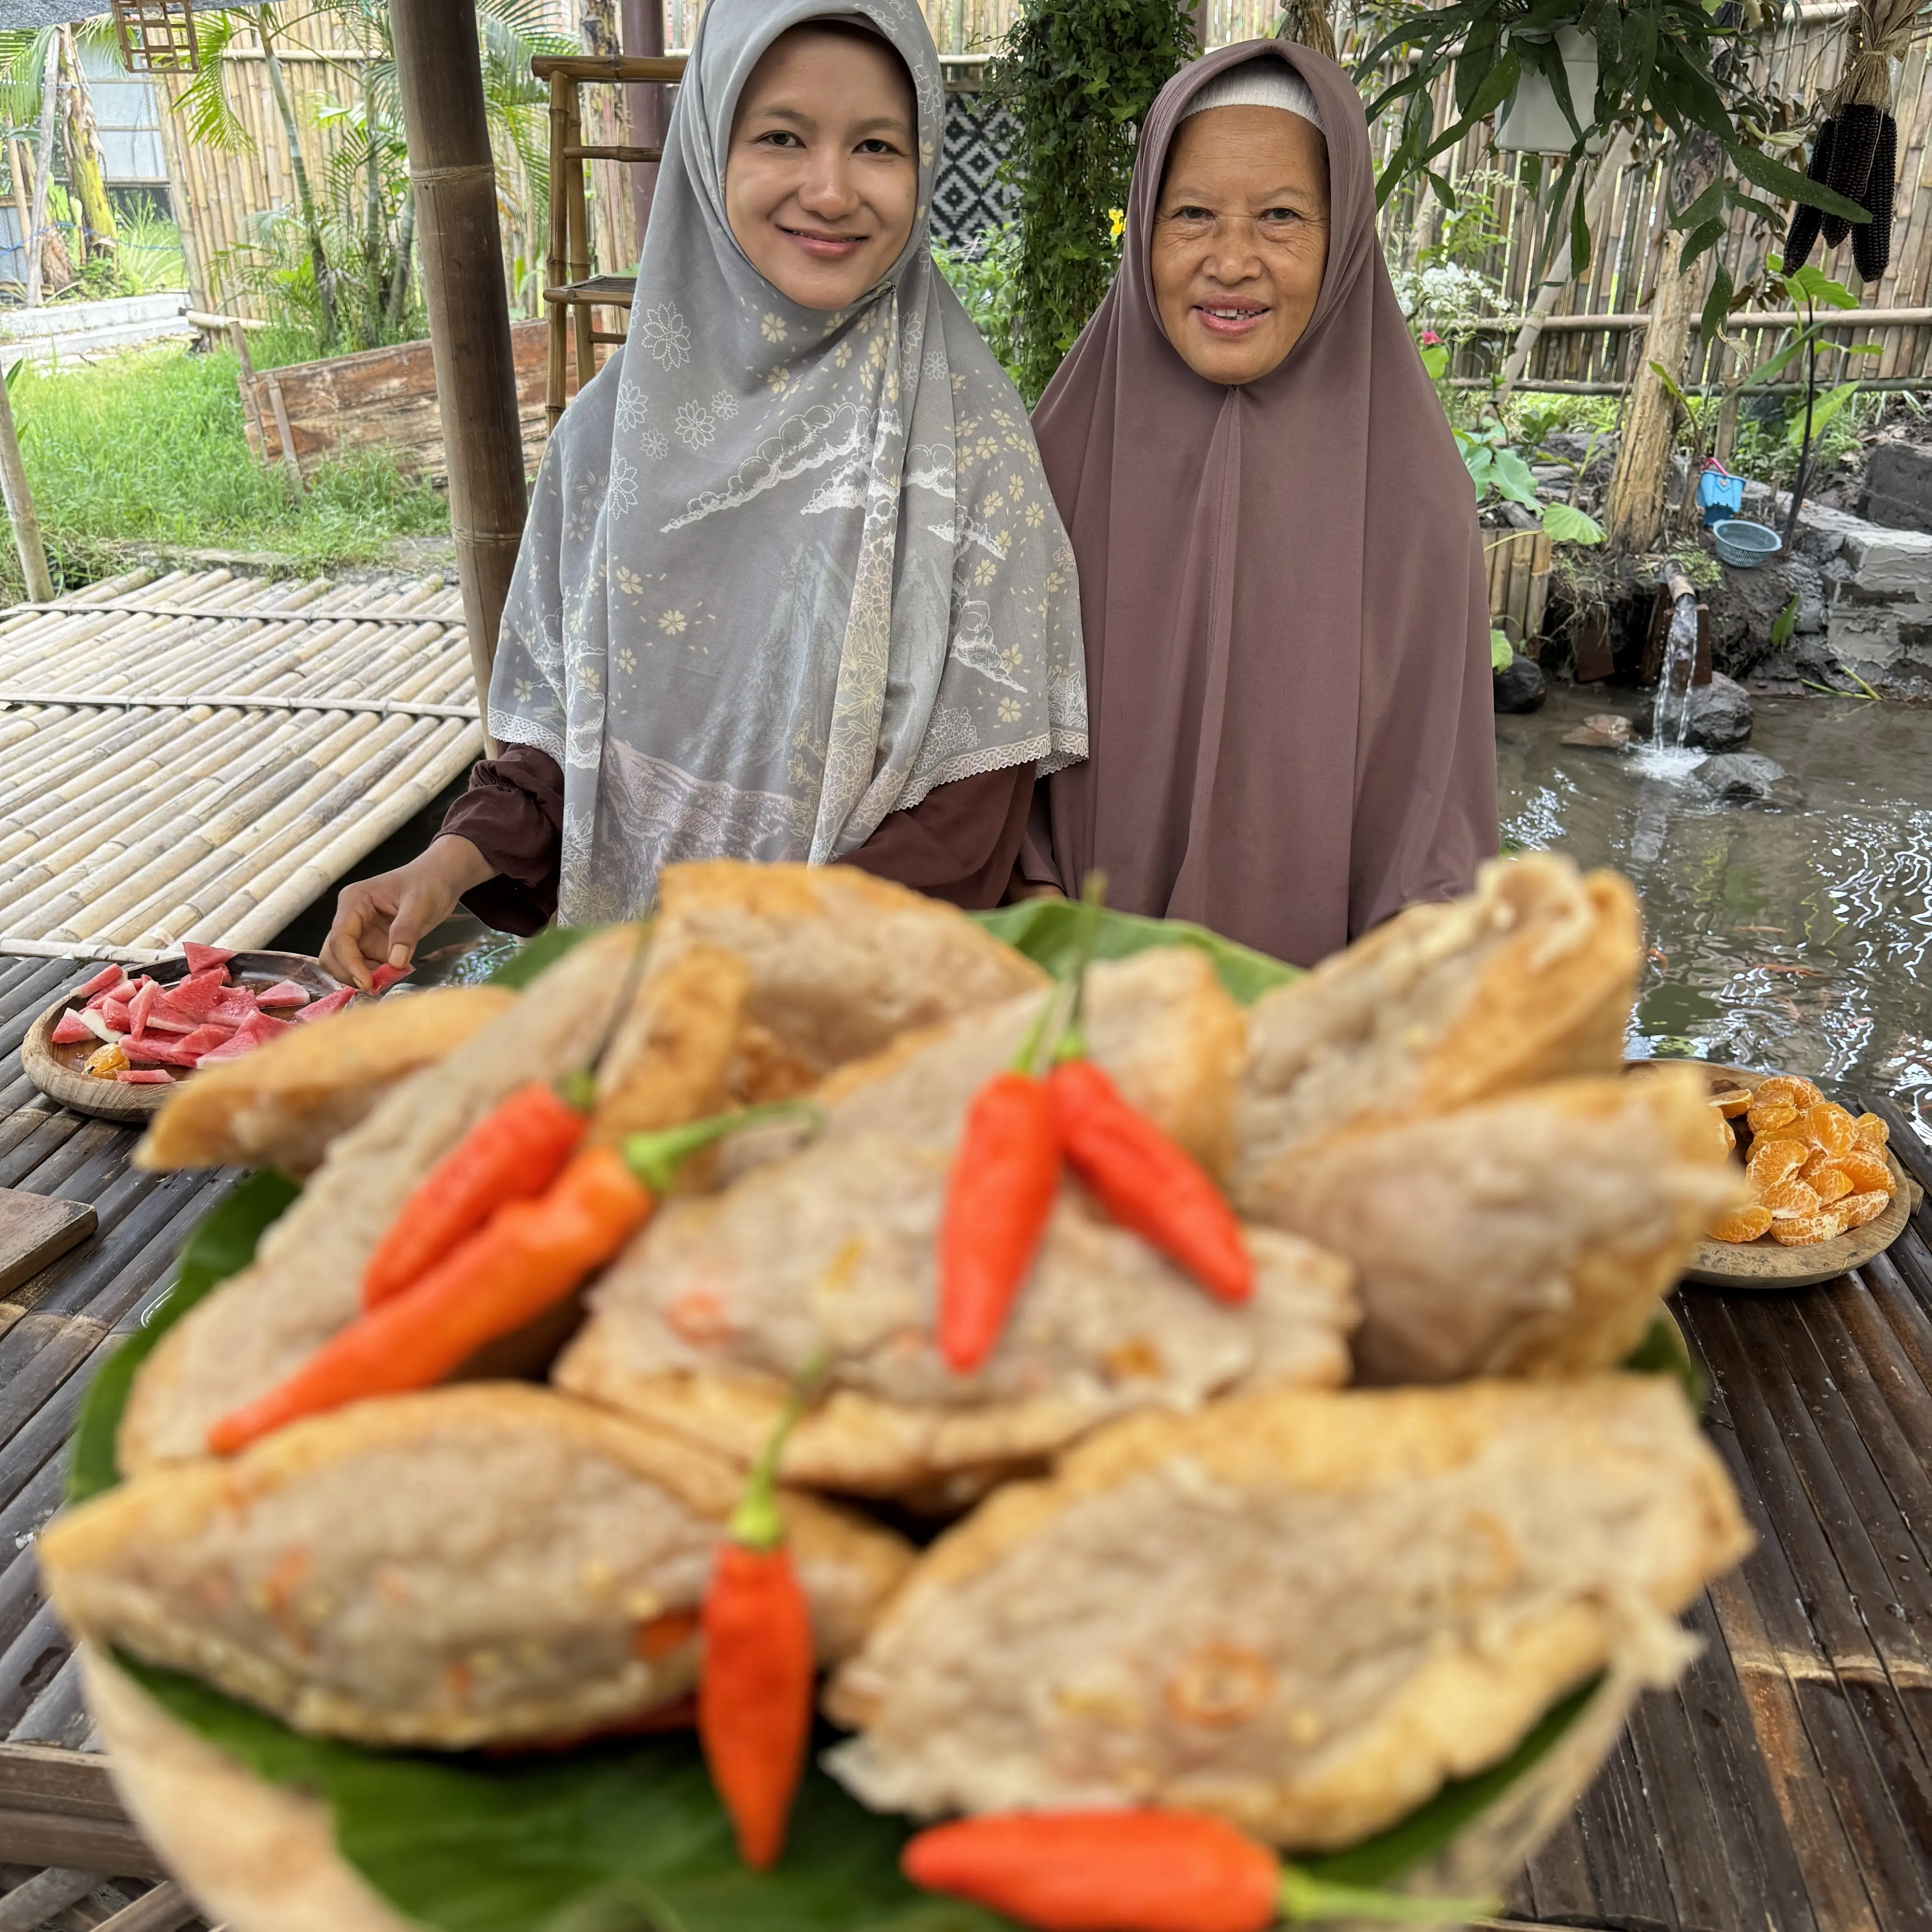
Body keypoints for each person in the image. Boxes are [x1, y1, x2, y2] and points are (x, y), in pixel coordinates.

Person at [322, 0, 1085, 989]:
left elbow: (970, 810)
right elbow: (561, 749)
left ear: (927, 163)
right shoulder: (607, 443)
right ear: (707, 146)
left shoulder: (965, 445)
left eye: (877, 146)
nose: (831, 188)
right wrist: (445, 863)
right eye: (781, 137)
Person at [1021, 41, 1497, 968]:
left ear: (1344, 234)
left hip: (1321, 1042)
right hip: (1070, 1022)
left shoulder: (1418, 508)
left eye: (1280, 217)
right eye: (1191, 214)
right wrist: (1043, 924)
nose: (1231, 261)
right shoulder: (1051, 466)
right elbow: (984, 756)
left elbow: (1437, 834)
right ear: (1144, 230)